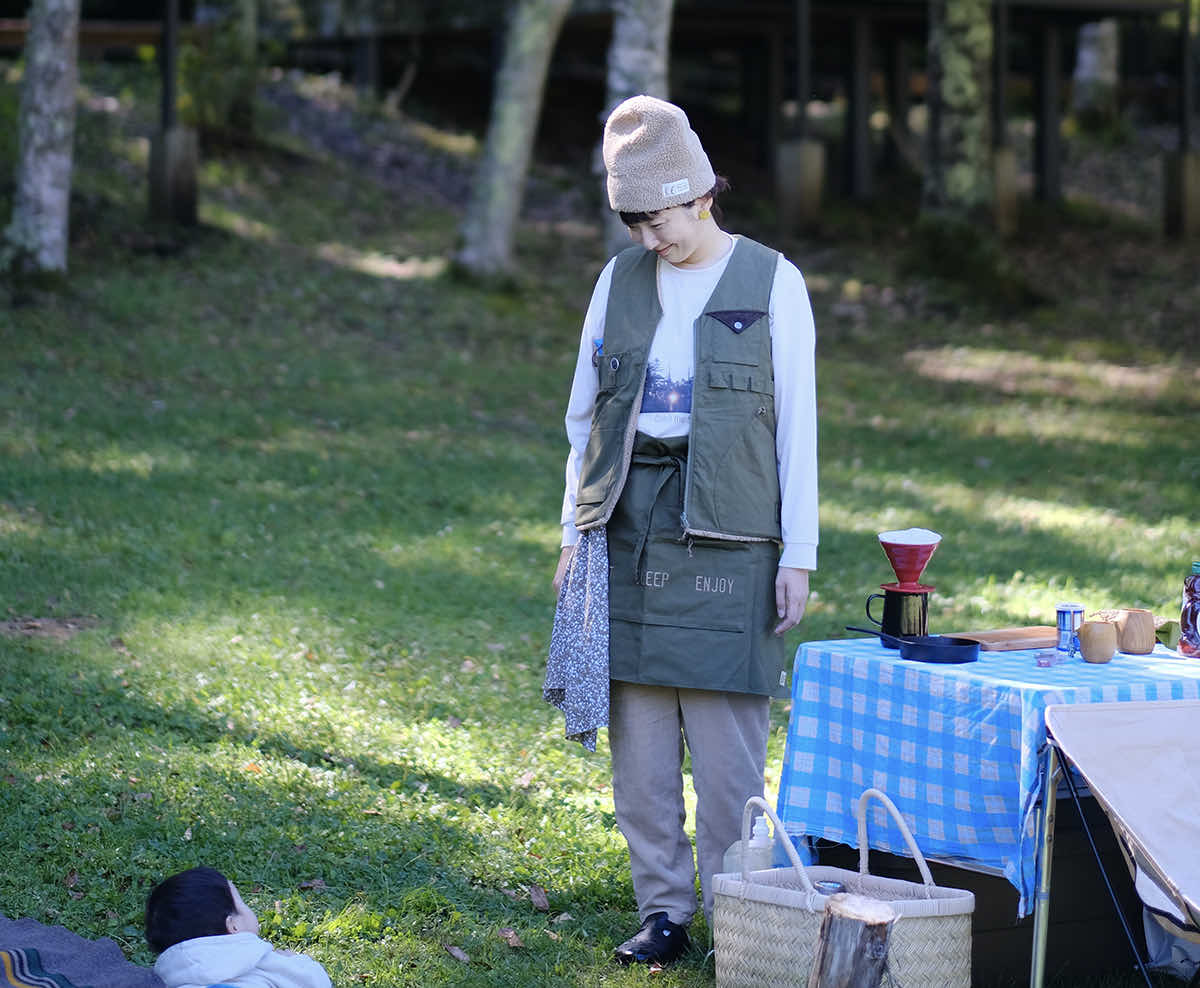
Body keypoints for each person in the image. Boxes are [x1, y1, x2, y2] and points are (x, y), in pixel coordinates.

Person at [548, 94, 818, 966]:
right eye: (634, 224)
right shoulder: (617, 282)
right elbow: (583, 420)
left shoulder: (772, 280)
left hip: (733, 540)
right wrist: (569, 538)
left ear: (702, 194)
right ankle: (664, 912)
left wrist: (800, 554)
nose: (649, 241)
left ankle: (744, 914)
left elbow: (798, 430)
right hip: (625, 531)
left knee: (731, 757)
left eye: (658, 219)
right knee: (641, 757)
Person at [145, 867, 332, 988]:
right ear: (233, 925)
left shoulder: (170, 978)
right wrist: (297, 960)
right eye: (242, 903)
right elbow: (318, 982)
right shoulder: (262, 960)